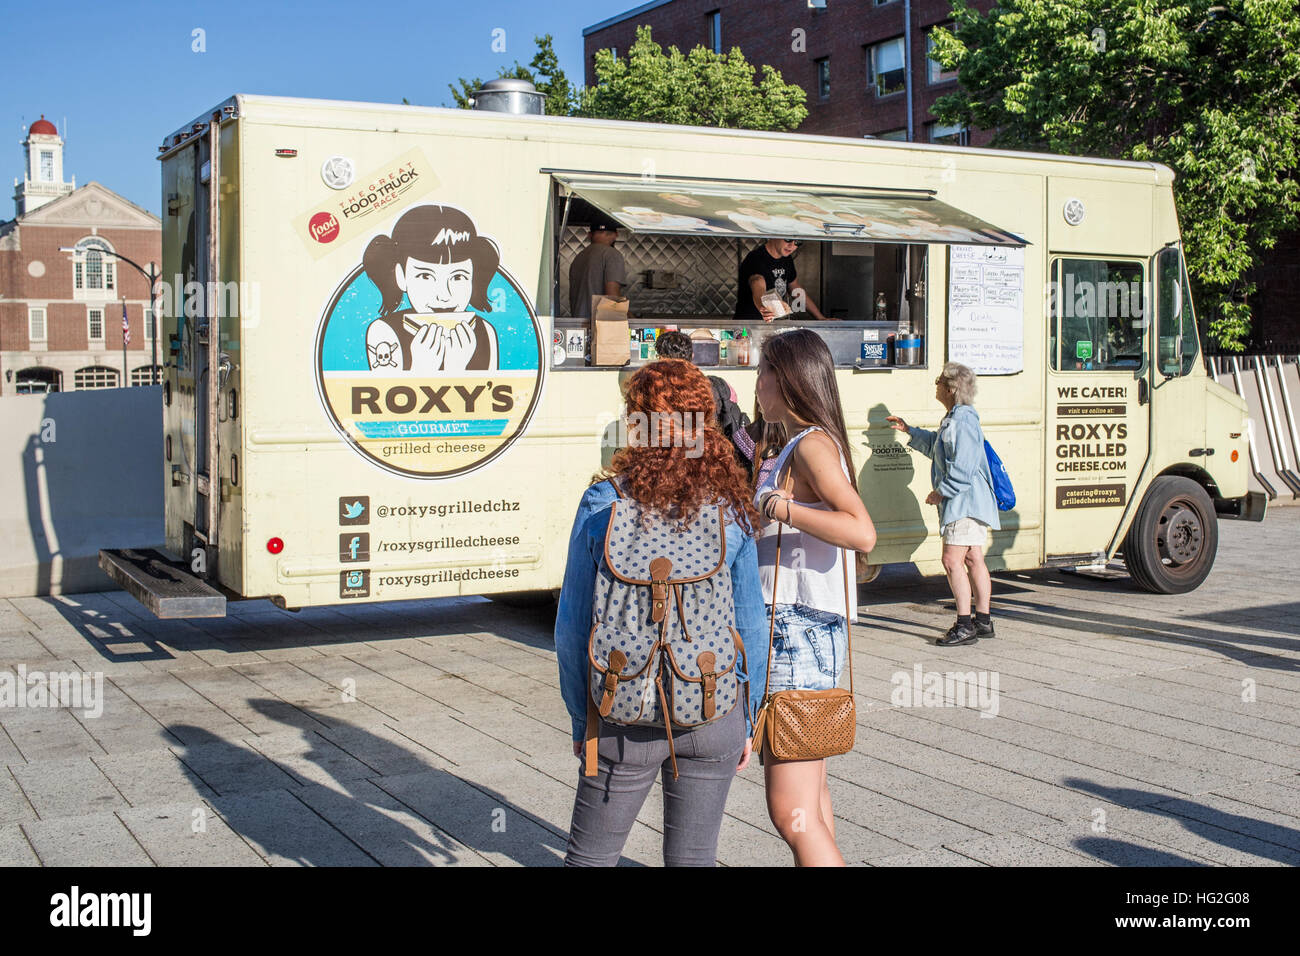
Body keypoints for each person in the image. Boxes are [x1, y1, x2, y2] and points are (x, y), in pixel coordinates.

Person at [554, 359, 768, 867]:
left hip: (623, 707)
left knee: (590, 860)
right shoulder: (729, 506)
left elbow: (572, 629)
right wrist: (749, 716)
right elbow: (751, 626)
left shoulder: (603, 503)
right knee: (693, 859)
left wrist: (583, 716)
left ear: (636, 424)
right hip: (711, 703)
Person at [751, 329, 876, 867]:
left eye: (764, 371)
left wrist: (778, 509)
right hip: (805, 628)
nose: (756, 384)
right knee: (812, 804)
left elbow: (860, 530)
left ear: (789, 380)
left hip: (795, 629)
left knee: (790, 810)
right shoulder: (805, 442)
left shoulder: (811, 445)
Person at [886, 362, 1000, 646]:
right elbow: (939, 445)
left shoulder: (962, 421)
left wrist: (942, 491)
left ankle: (964, 625)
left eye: (939, 381)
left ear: (950, 389)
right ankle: (983, 621)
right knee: (973, 558)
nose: (935, 384)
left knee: (951, 561)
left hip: (964, 503)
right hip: (970, 501)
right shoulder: (956, 417)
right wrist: (910, 430)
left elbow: (964, 465)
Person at [361, 204, 500, 373]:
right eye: (425, 276)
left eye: (457, 277)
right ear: (401, 276)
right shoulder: (383, 332)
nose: (444, 295)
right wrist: (421, 369)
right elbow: (387, 396)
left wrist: (457, 368)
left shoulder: (486, 332)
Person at [654, 331, 752, 467]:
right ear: (692, 356)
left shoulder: (657, 395)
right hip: (714, 463)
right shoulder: (718, 385)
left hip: (677, 467)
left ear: (660, 359)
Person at [734, 238, 827, 322]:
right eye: (788, 239)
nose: (792, 245)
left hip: (773, 323)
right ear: (774, 235)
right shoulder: (755, 258)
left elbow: (795, 288)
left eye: (797, 242)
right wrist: (764, 307)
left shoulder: (787, 259)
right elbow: (757, 283)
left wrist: (820, 318)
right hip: (749, 325)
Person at [568, 219, 628, 318]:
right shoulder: (611, 254)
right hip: (599, 325)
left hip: (578, 324)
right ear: (615, 235)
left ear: (589, 235)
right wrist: (631, 318)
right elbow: (612, 296)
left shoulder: (579, 257)